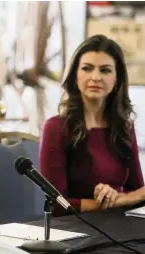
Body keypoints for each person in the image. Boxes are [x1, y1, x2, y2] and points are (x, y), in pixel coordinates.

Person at [39, 34, 145, 217]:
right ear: (75, 76)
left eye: (105, 70)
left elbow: (138, 192)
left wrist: (119, 198)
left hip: (122, 227)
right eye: (87, 68)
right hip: (74, 230)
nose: (95, 77)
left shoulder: (124, 127)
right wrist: (116, 201)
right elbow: (57, 204)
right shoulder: (56, 128)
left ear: (117, 79)